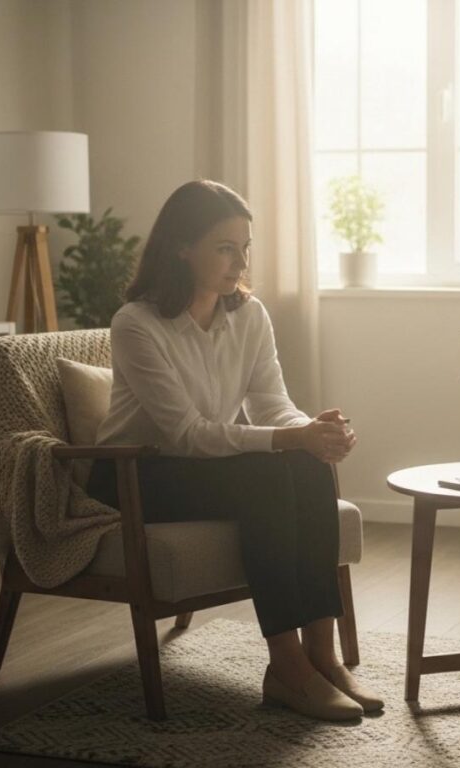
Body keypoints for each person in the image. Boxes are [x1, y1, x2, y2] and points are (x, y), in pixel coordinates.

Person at [87, 180, 383, 722]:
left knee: (304, 461)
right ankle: (286, 669)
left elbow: (273, 404)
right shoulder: (138, 324)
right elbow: (185, 434)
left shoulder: (249, 316)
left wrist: (312, 430)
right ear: (182, 247)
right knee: (269, 475)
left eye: (244, 247)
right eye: (225, 247)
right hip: (135, 473)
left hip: (206, 467)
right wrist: (291, 438)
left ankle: (322, 656)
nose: (239, 261)